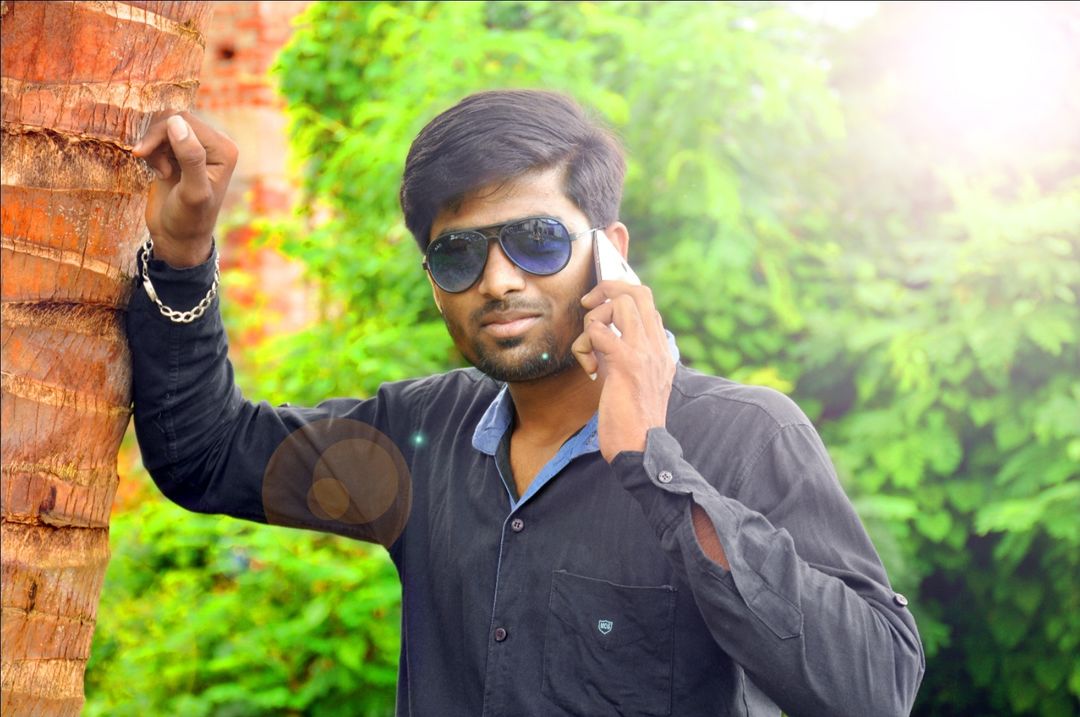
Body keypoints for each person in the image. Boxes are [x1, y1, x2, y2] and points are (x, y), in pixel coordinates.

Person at [128, 89, 924, 716]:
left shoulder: (745, 436)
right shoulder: (423, 437)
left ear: (610, 254)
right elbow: (206, 454)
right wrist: (185, 250)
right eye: (459, 254)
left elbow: (874, 688)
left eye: (537, 240)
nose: (499, 279)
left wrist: (654, 463)